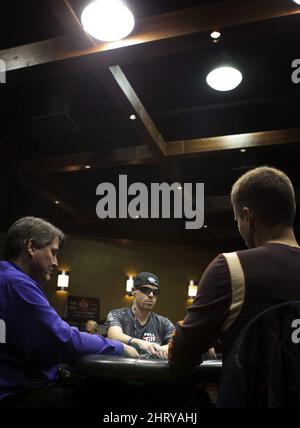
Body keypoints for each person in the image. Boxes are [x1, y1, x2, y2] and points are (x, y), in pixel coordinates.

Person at [0, 217, 138, 408]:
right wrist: (119, 348)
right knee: (119, 397)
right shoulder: (17, 284)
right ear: (31, 247)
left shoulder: (5, 278)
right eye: (53, 252)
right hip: (17, 395)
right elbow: (62, 340)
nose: (56, 262)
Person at [169, 166, 300, 368]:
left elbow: (181, 355)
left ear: (248, 217)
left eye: (237, 219)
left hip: (250, 399)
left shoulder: (230, 267)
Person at [106, 272, 175, 360]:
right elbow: (114, 335)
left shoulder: (163, 322)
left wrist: (168, 347)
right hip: (124, 370)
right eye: (145, 290)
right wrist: (140, 343)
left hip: (153, 371)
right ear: (133, 291)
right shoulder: (118, 314)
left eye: (155, 292)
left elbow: (179, 342)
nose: (151, 295)